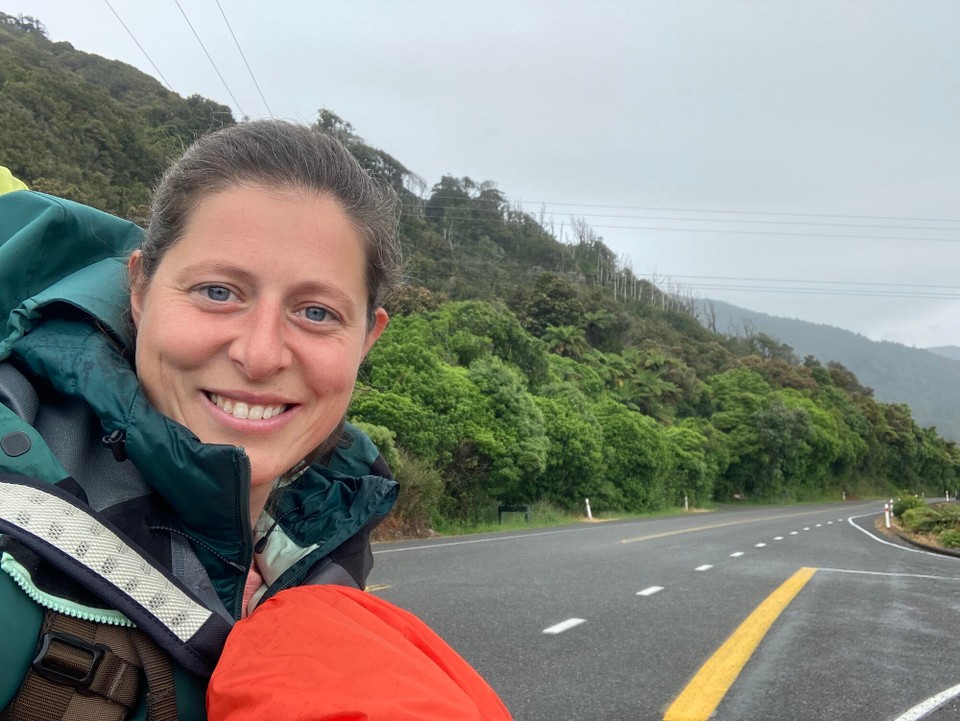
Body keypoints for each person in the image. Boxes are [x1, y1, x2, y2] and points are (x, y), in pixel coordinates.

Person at [0, 121, 404, 719]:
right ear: (139, 289)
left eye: (316, 311)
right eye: (218, 292)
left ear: (367, 338)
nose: (261, 354)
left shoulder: (324, 532)